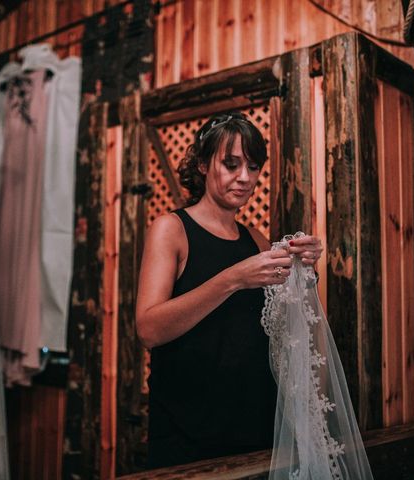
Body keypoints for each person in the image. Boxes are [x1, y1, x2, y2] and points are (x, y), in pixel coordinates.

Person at [135, 112, 323, 469]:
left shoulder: (254, 239)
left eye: (253, 167)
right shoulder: (172, 229)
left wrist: (304, 265)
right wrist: (233, 278)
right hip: (186, 430)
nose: (244, 178)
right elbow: (149, 329)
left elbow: (285, 323)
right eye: (231, 163)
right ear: (204, 164)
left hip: (253, 424)